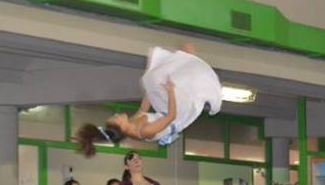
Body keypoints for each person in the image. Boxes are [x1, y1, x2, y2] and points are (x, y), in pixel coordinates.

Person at [77, 44, 222, 153]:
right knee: (180, 78)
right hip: (179, 115)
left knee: (151, 79)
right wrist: (170, 91)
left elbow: (144, 108)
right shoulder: (144, 131)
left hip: (165, 108)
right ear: (121, 128)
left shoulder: (132, 123)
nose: (116, 114)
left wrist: (151, 87)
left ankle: (186, 60)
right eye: (115, 118)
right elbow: (172, 116)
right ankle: (191, 62)